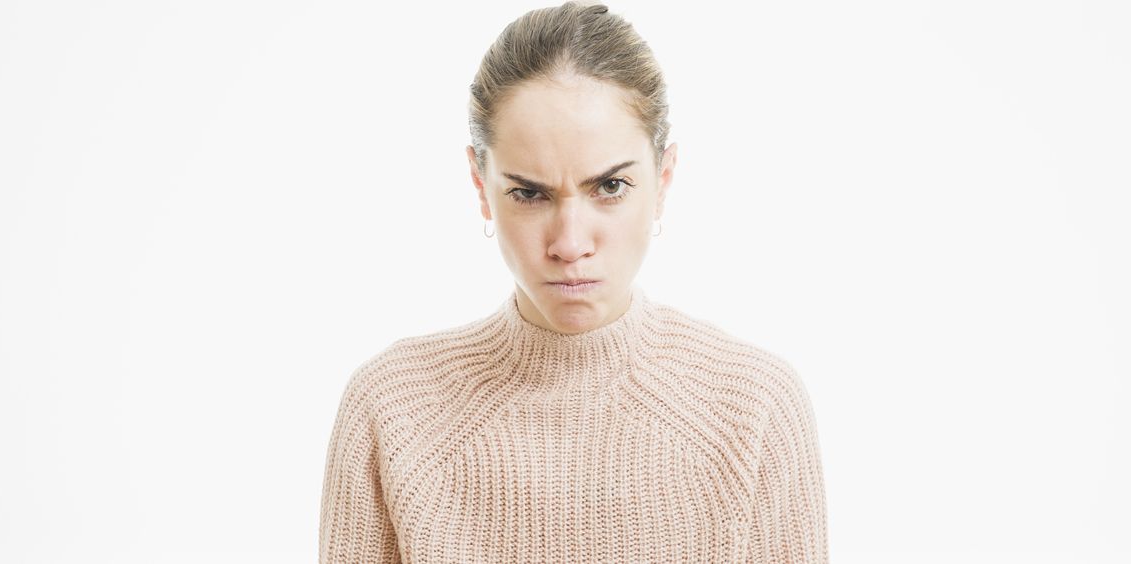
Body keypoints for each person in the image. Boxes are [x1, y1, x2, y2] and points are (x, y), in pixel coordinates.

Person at [318, 2, 828, 562]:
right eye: (529, 193)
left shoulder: (754, 408)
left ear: (662, 180)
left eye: (609, 187)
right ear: (480, 186)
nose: (569, 242)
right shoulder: (392, 409)